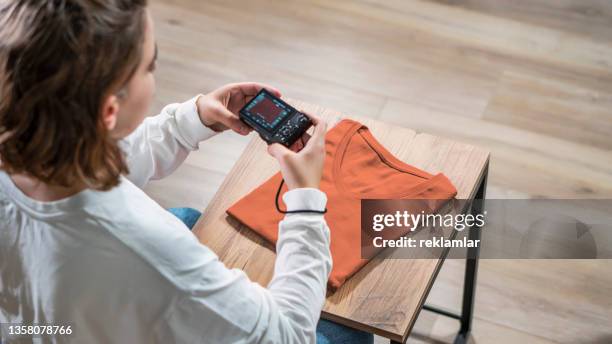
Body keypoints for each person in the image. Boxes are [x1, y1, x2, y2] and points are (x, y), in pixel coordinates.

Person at [0, 1, 375, 343]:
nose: (152, 73)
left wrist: (192, 119)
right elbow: (287, 336)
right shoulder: (142, 244)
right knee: (350, 325)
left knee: (191, 220)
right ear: (109, 112)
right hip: (106, 293)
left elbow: (101, 160)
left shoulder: (32, 146)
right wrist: (306, 202)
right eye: (149, 66)